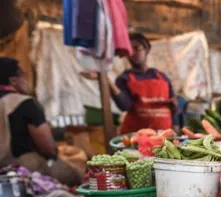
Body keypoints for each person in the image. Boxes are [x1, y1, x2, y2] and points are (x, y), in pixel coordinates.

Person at [0, 57, 82, 186]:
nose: (27, 82)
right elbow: (48, 148)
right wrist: (54, 155)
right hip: (23, 171)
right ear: (13, 81)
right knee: (78, 176)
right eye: (23, 77)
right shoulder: (25, 103)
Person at [82, 33, 177, 134]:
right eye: (129, 50)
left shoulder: (162, 77)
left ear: (147, 50)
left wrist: (174, 107)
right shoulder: (124, 78)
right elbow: (125, 106)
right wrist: (106, 79)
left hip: (164, 133)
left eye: (136, 48)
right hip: (136, 135)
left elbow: (174, 105)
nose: (133, 53)